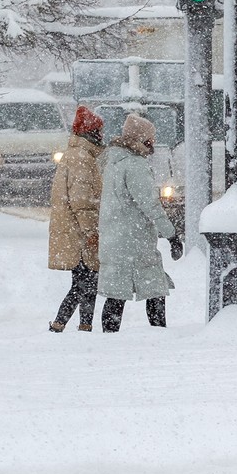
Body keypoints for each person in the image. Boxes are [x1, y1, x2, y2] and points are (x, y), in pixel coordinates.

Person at [96, 112, 182, 331]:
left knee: (116, 295)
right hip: (134, 242)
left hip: (114, 238)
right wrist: (171, 234)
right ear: (141, 139)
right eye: (150, 138)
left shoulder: (113, 162)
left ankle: (109, 336)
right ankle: (158, 333)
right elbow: (150, 205)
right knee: (155, 288)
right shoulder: (135, 165)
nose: (153, 143)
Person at [47, 105, 106, 332]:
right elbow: (82, 200)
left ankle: (81, 326)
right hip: (79, 233)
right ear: (91, 133)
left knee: (86, 280)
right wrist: (91, 231)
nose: (102, 136)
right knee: (86, 282)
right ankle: (61, 325)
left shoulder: (77, 155)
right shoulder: (82, 158)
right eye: (99, 131)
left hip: (74, 230)